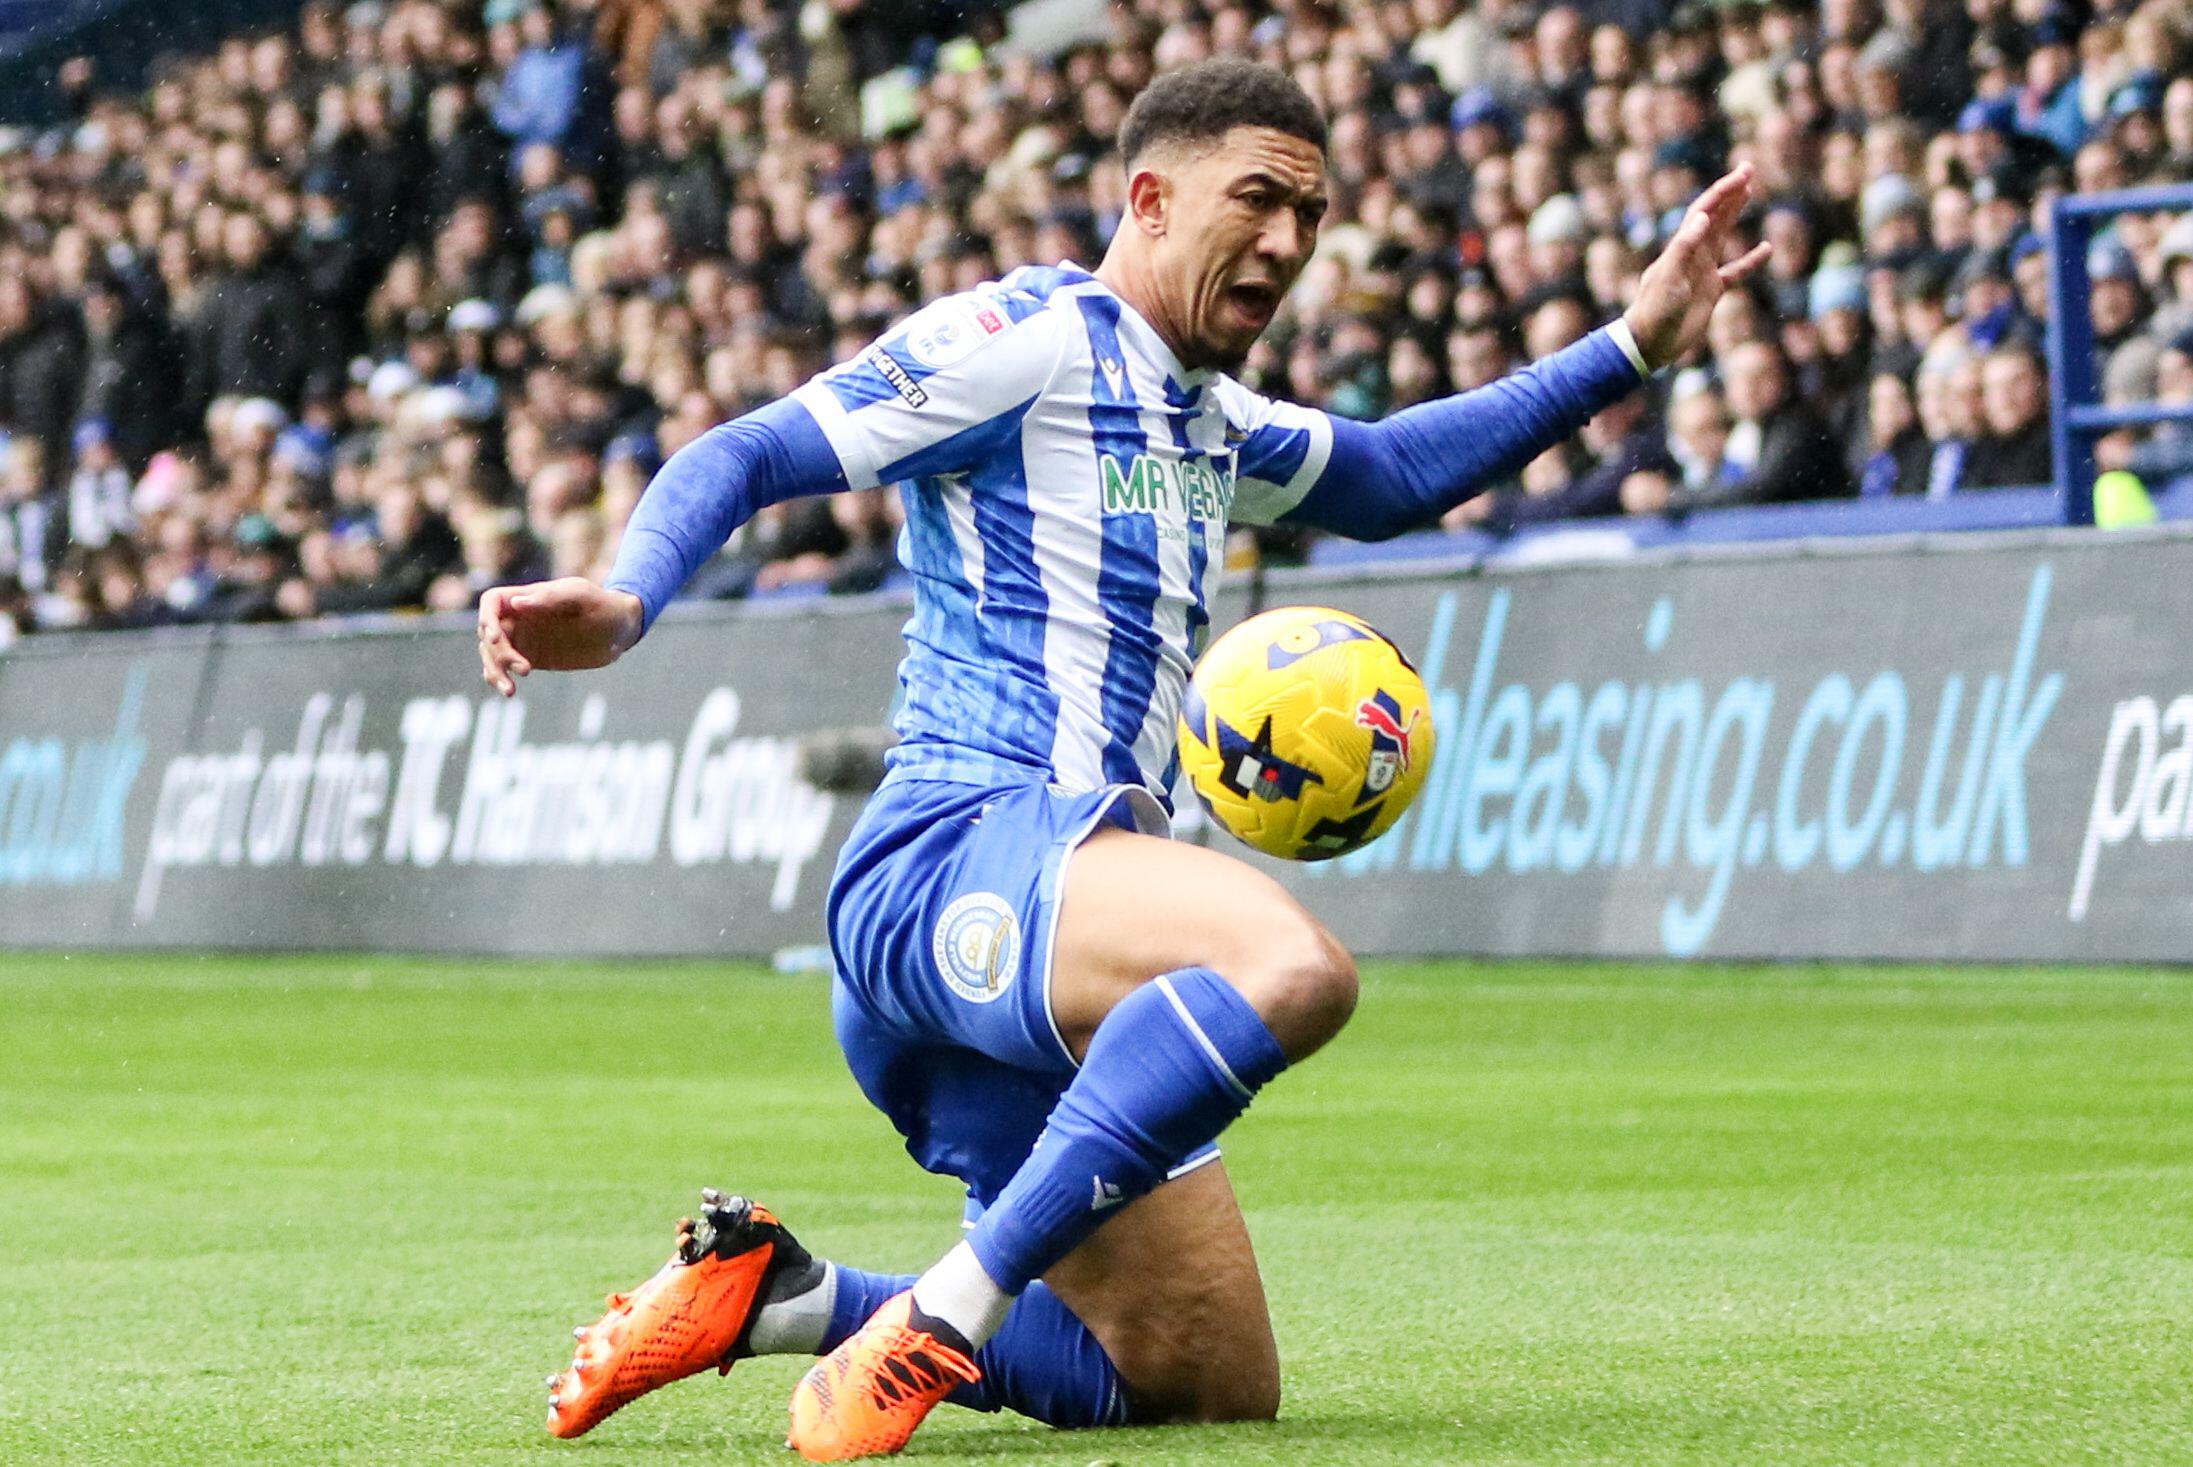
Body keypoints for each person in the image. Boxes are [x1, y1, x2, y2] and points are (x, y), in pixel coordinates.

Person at [481, 60, 1767, 1463]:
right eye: (1257, 199)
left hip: (1055, 930)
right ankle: (951, 1312)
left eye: (1310, 215)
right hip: (957, 853)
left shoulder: (1206, 416)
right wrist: (629, 598)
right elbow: (749, 450)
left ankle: (779, 1300)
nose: (1286, 242)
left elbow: (1391, 476)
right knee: (1291, 971)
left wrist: (1632, 344)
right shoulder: (1029, 340)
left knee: (1192, 1382)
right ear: (1148, 198)